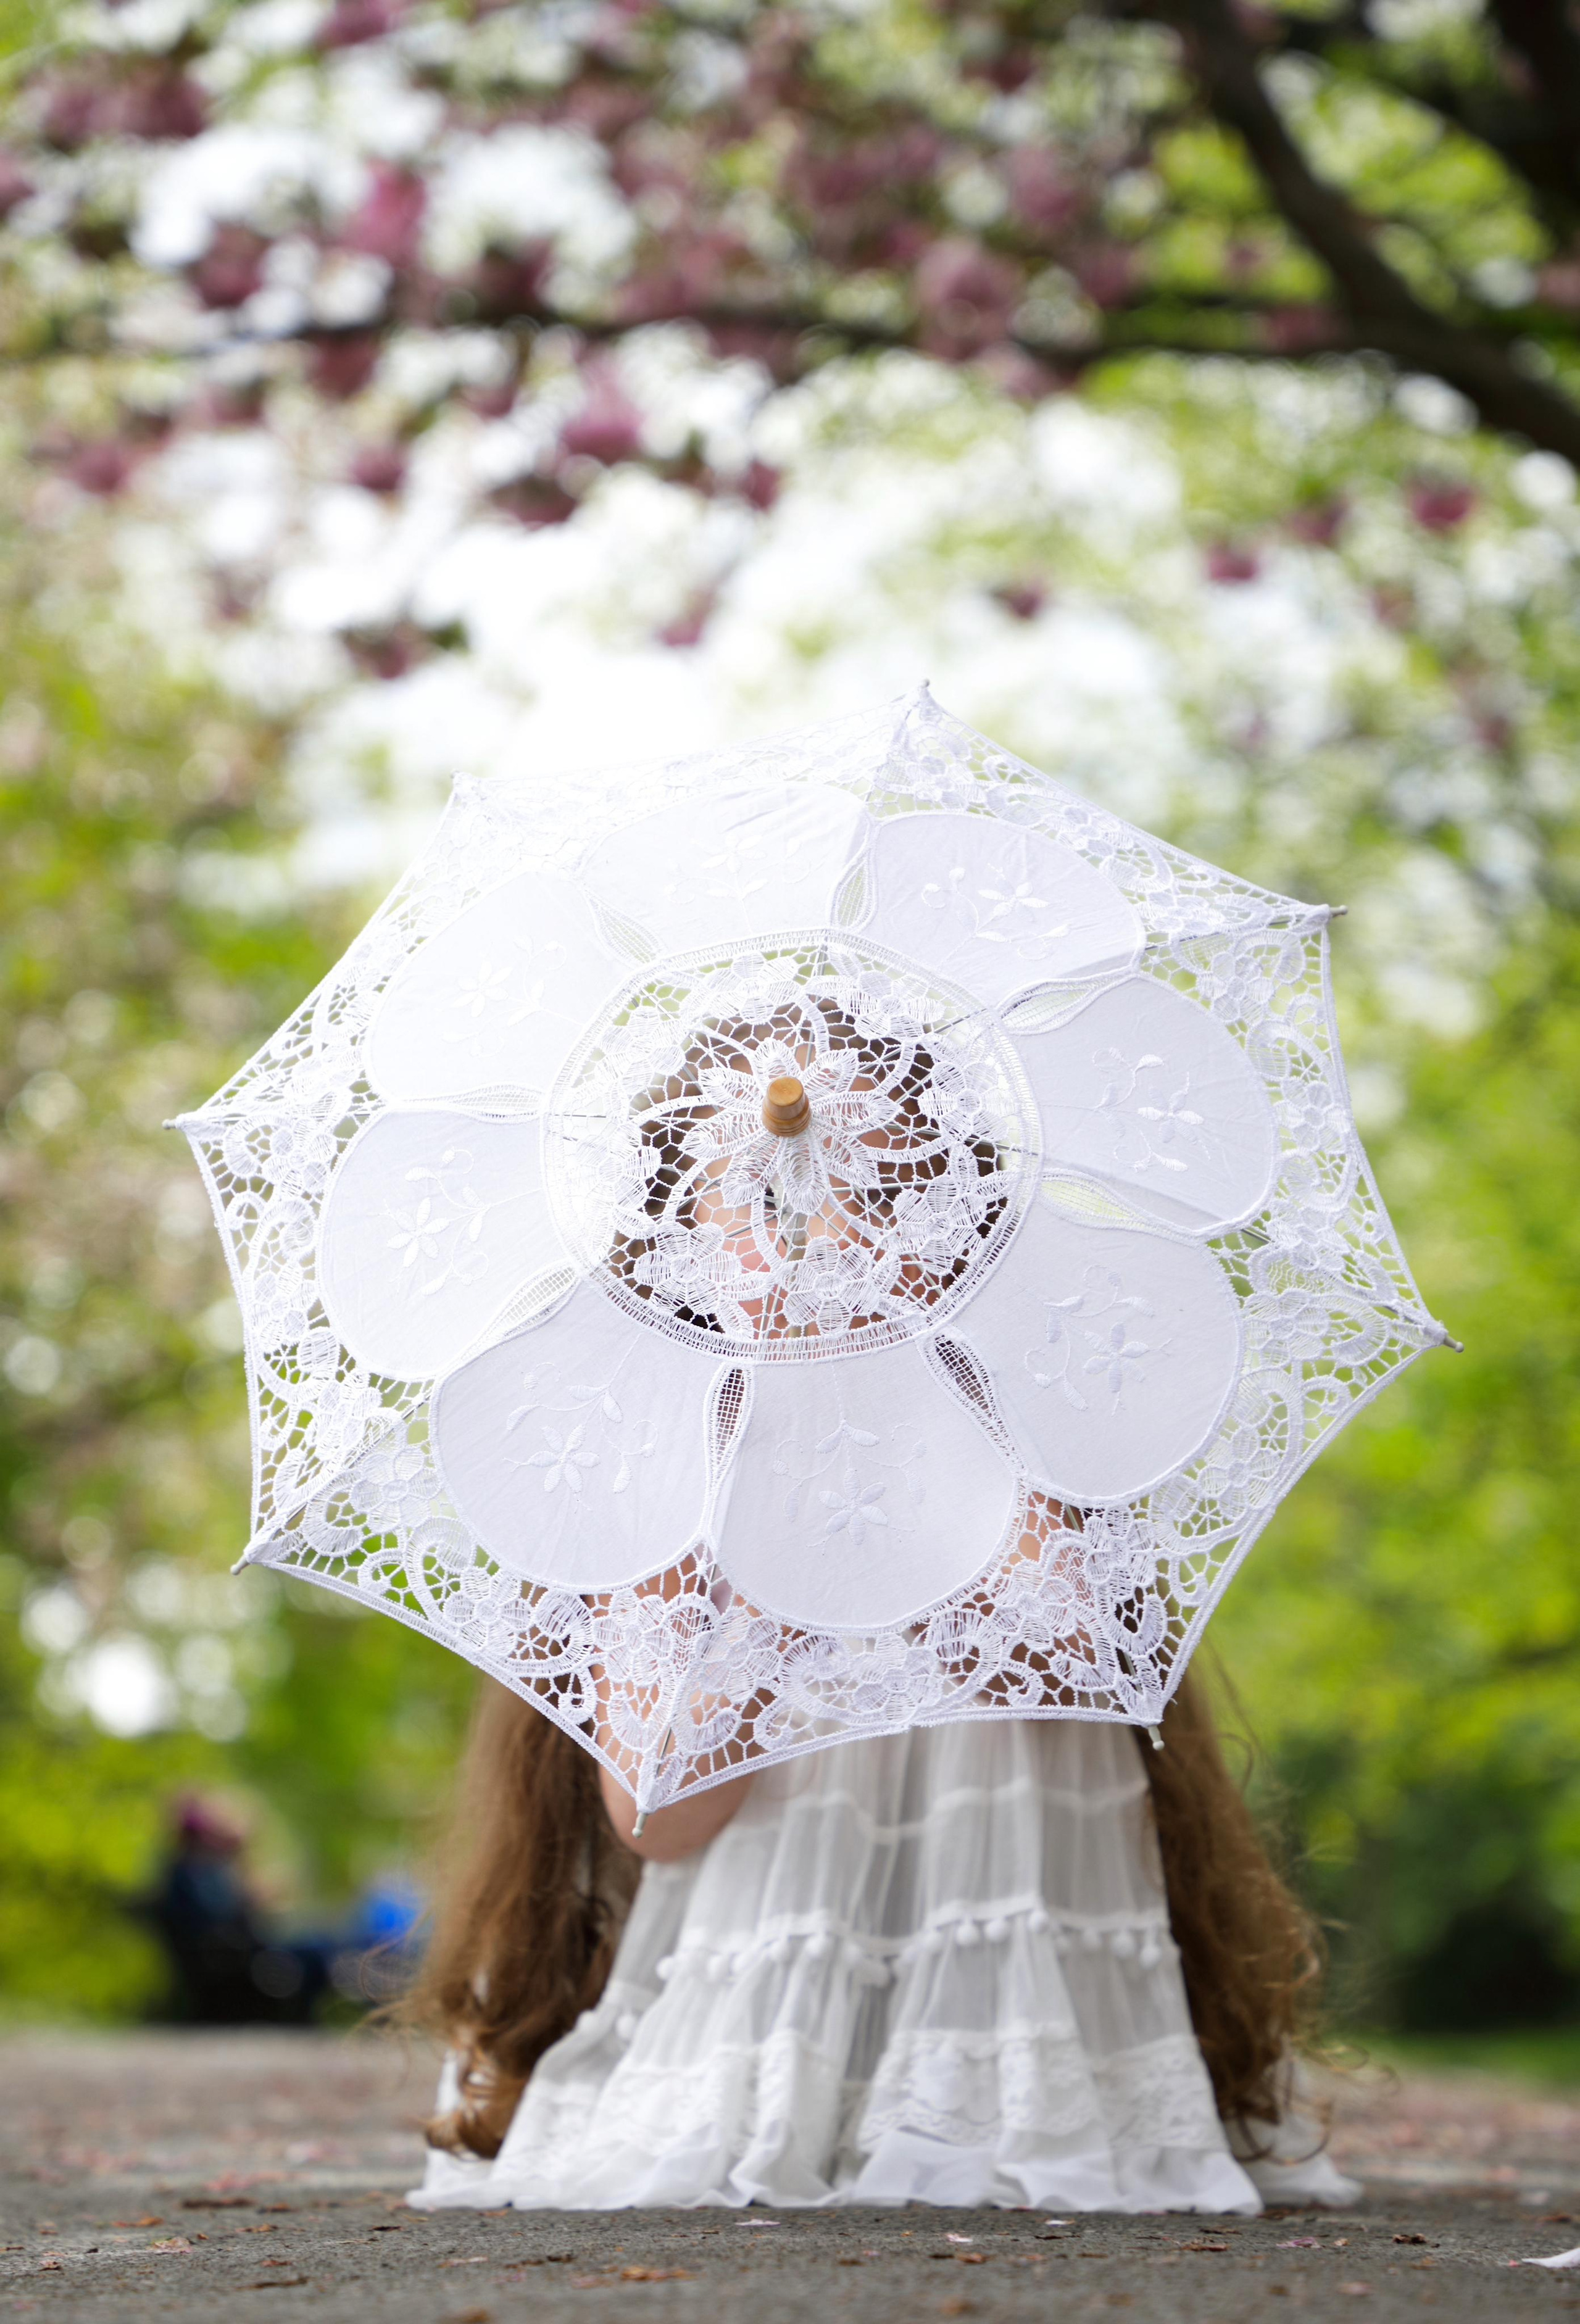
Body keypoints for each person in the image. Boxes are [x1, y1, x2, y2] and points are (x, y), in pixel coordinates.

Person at [402, 1000, 1360, 2213]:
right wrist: (738, 1520)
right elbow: (661, 1814)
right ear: (686, 1227)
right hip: (760, 2022)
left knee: (987, 1629)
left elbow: (1073, 1660)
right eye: (744, 1199)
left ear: (937, 1211)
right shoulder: (676, 1455)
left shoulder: (1027, 1417)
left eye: (862, 1185)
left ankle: (973, 2085)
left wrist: (939, 1385)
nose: (796, 1234)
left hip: (1010, 2015)